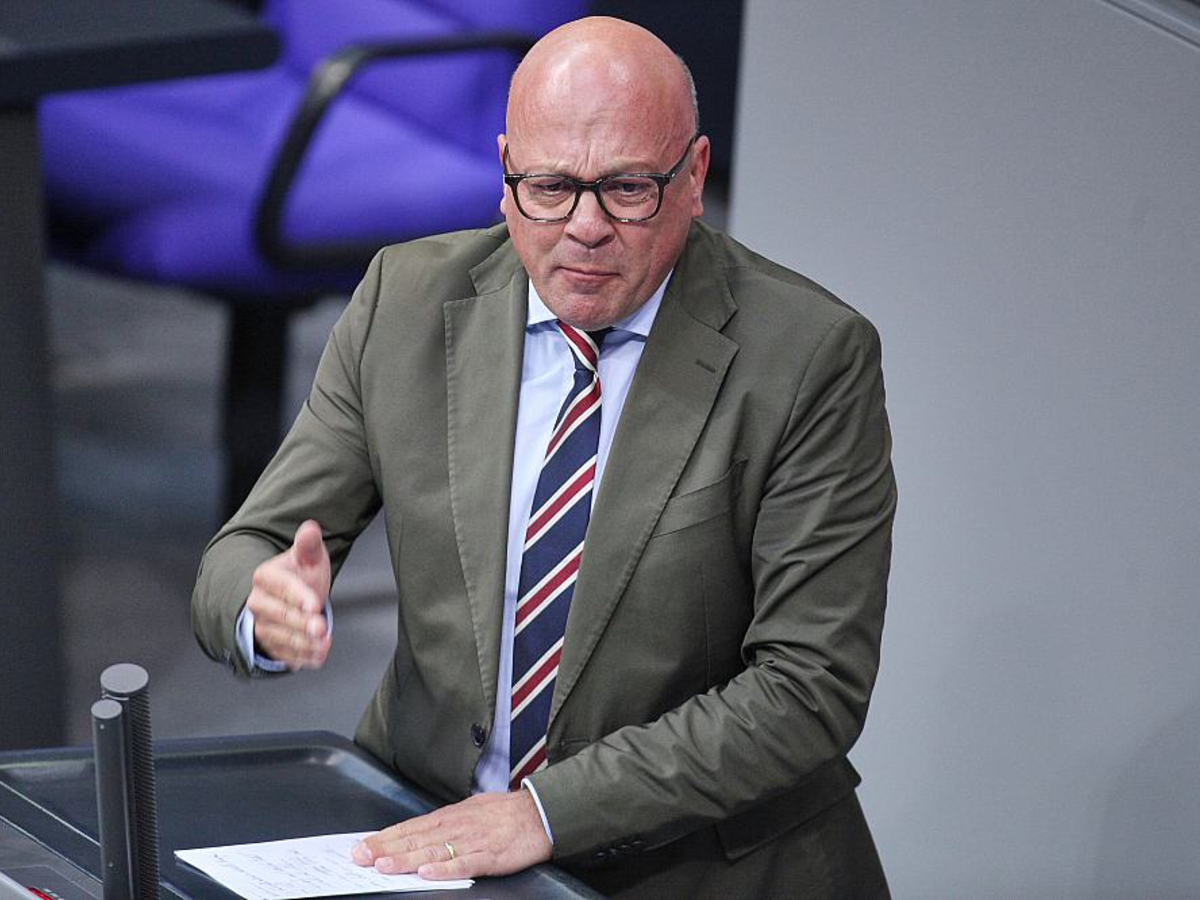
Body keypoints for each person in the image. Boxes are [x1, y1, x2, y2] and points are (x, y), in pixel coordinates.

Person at [192, 15, 896, 899]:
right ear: (505, 175)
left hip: (696, 864)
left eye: (628, 188)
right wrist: (265, 604)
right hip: (430, 832)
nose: (585, 227)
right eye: (552, 187)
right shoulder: (404, 302)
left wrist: (545, 813)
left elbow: (808, 687)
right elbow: (244, 552)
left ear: (694, 176)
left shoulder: (808, 357)